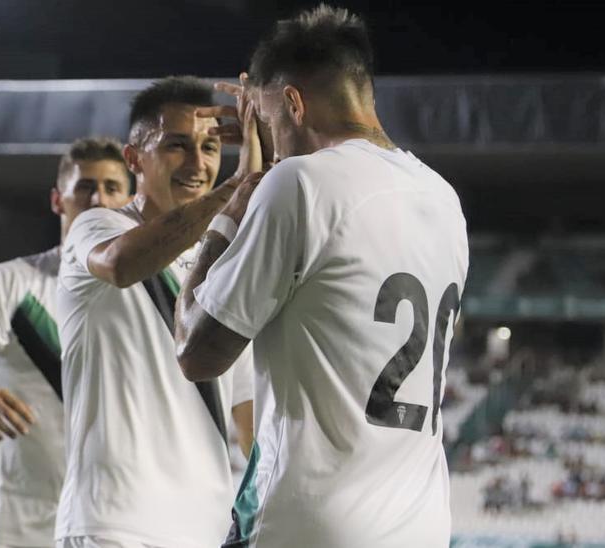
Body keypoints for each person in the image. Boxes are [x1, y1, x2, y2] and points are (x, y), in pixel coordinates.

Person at [174, 6, 469, 547]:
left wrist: (237, 199)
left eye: (265, 121)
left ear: (293, 102)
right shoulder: (443, 198)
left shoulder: (298, 183)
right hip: (420, 526)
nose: (268, 137)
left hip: (309, 524)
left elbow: (195, 349)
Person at [56, 76, 259, 548]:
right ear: (134, 159)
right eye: (177, 146)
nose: (198, 163)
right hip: (113, 525)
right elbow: (122, 264)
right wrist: (236, 189)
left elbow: (245, 409)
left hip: (205, 529)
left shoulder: (224, 261)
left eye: (210, 147)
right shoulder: (99, 227)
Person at [0, 137, 133, 548]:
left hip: (115, 518)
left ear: (130, 200)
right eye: (86, 187)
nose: (99, 200)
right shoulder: (11, 282)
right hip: (23, 522)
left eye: (112, 188)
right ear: (58, 201)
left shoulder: (147, 291)